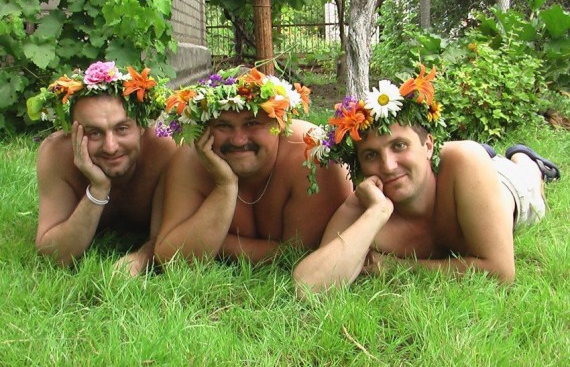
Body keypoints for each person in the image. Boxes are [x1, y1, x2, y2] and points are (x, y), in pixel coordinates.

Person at [293, 64, 561, 292]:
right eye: (371, 155)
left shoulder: (464, 160)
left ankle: (526, 159)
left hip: (501, 184)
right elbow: (307, 285)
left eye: (399, 146)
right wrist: (378, 212)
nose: (388, 165)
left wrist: (396, 267)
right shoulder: (361, 208)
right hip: (450, 172)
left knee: (529, 186)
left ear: (429, 145)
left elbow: (500, 272)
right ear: (360, 166)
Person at [153, 67, 353, 264]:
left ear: (279, 123)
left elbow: (300, 255)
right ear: (205, 128)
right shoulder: (192, 159)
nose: (238, 140)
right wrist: (225, 186)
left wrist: (215, 242)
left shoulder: (311, 155)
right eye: (223, 125)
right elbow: (169, 256)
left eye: (252, 124)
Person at [27, 61, 177, 276]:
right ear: (72, 132)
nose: (111, 147)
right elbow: (54, 256)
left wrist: (141, 258)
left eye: (122, 128)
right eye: (94, 133)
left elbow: (169, 237)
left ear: (142, 126)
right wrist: (98, 189)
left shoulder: (163, 151)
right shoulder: (56, 154)